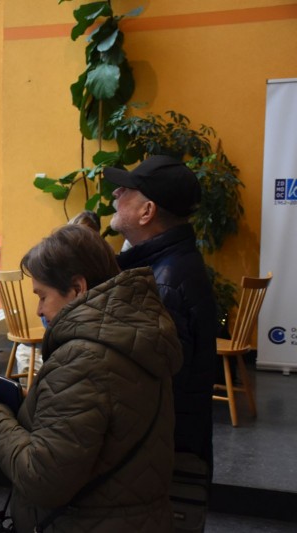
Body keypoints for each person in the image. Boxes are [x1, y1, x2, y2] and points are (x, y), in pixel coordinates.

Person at [0, 224, 182, 531]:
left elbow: (43, 479)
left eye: (43, 296)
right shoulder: (135, 336)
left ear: (78, 289)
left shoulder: (83, 359)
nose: (39, 310)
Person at [104, 155, 217, 471]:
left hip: (158, 462)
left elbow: (151, 392)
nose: (116, 193)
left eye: (127, 189)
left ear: (147, 211)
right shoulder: (164, 267)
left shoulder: (161, 284)